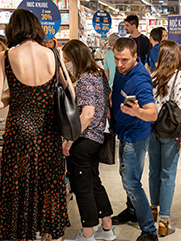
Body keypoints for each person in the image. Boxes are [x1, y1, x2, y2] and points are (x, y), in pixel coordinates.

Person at [0, 9, 72, 240]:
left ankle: (23, 233)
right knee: (50, 187)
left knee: (20, 188)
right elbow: (70, 91)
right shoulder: (53, 54)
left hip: (19, 133)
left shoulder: (5, 57)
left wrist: (14, 96)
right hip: (48, 131)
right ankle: (53, 234)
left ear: (12, 30)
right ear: (36, 27)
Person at [61, 40, 116, 241]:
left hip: (83, 140)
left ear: (75, 58)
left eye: (67, 59)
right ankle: (107, 228)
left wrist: (69, 139)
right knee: (94, 182)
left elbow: (88, 113)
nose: (66, 63)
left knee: (82, 187)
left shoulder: (85, 79)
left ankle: (87, 235)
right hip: (97, 137)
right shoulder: (99, 74)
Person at [109, 37, 159, 241]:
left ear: (135, 57)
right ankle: (131, 211)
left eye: (125, 60)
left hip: (135, 135)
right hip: (123, 131)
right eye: (116, 59)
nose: (120, 64)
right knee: (126, 177)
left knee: (131, 182)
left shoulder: (140, 79)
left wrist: (137, 112)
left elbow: (152, 113)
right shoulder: (122, 70)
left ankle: (149, 230)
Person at [148, 40, 181, 237]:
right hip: (171, 132)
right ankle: (164, 221)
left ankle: (153, 209)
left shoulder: (152, 76)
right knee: (168, 174)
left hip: (152, 129)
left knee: (154, 170)